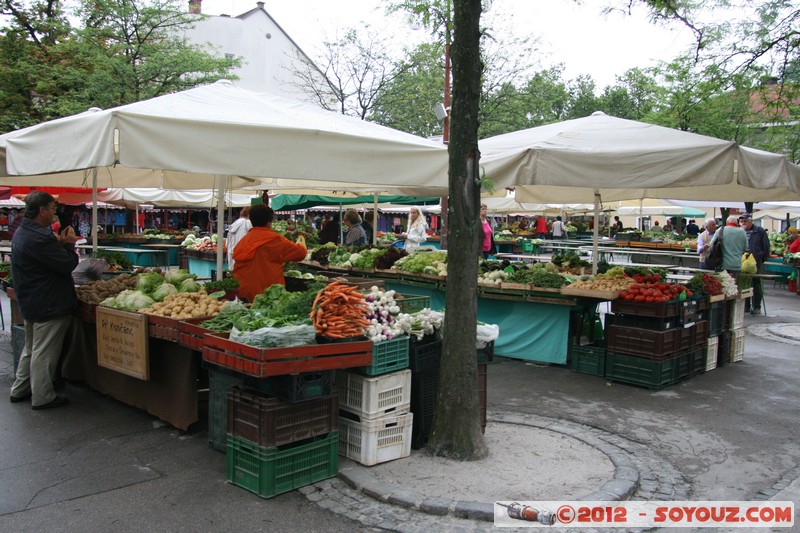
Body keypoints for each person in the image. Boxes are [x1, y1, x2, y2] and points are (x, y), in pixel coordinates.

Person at [9, 191, 78, 410]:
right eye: (52, 209)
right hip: (48, 302)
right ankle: (43, 396)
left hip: (31, 299)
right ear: (42, 210)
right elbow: (67, 264)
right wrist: (68, 244)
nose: (54, 213)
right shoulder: (38, 237)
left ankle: (20, 389)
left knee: (31, 348)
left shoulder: (23, 232)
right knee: (44, 351)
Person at [232, 204, 307, 302]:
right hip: (269, 296)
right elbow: (301, 253)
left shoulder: (243, 241)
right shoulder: (275, 240)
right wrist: (301, 243)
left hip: (243, 295)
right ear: (269, 222)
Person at [738, 213, 771, 313]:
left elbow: (766, 246)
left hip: (756, 260)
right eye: (742, 222)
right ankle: (746, 306)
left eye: (745, 221)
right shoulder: (740, 231)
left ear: (751, 221)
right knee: (744, 282)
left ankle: (757, 306)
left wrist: (761, 257)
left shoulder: (759, 230)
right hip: (743, 260)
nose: (743, 223)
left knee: (756, 282)